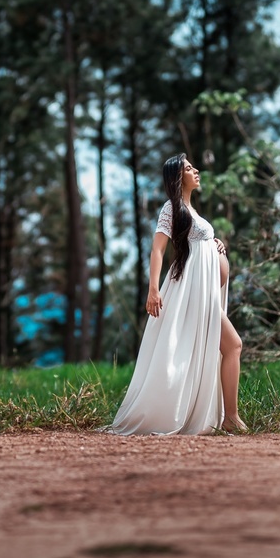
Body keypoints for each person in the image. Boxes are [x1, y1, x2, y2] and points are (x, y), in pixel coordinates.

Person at [106, 153, 247, 435]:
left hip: (206, 293)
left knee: (231, 346)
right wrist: (153, 289)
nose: (196, 171)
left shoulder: (192, 212)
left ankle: (229, 416)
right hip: (193, 293)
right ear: (178, 177)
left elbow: (197, 241)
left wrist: (215, 243)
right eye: (189, 168)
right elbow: (157, 249)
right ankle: (228, 417)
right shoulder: (171, 208)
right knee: (232, 345)